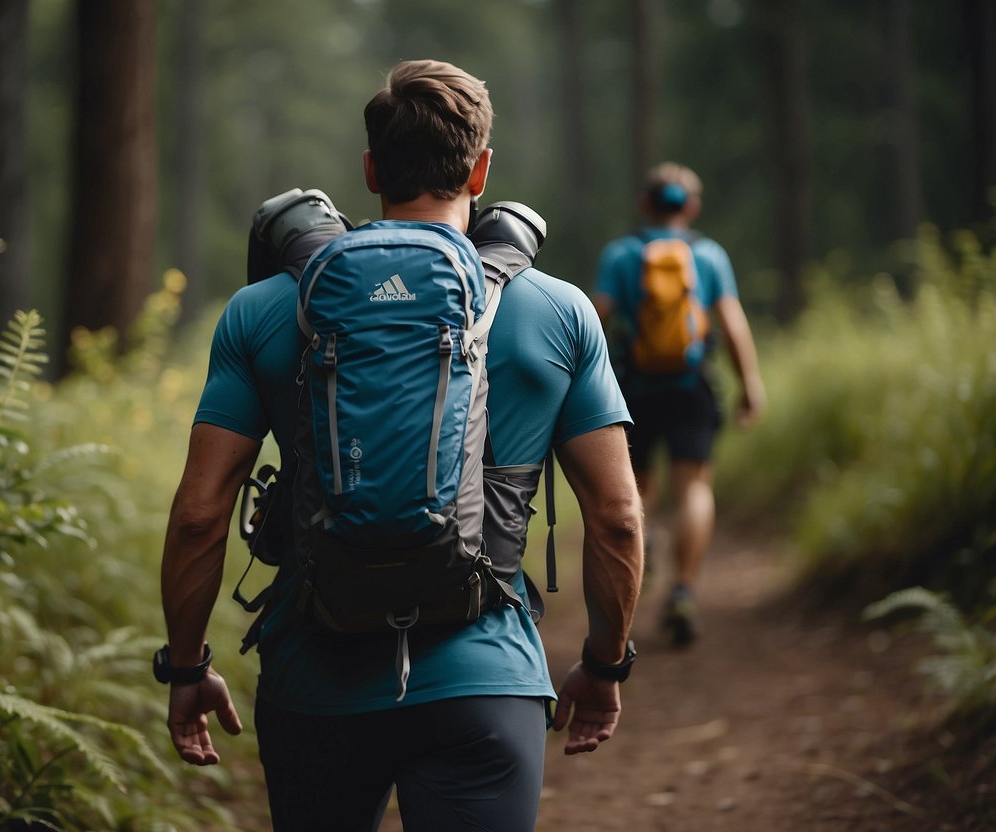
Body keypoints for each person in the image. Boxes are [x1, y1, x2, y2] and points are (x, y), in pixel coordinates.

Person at [158, 59, 644, 831]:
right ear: (481, 170)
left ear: (371, 169)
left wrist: (185, 667)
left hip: (314, 684)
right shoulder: (558, 311)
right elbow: (616, 516)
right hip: (484, 685)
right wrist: (604, 663)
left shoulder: (262, 311)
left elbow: (198, 515)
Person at [592, 161, 764, 648]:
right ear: (691, 207)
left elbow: (597, 317)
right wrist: (750, 382)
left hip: (633, 387)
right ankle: (684, 590)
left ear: (645, 204)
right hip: (692, 387)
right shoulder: (708, 254)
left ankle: (633, 583)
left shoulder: (621, 254)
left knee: (636, 493)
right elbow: (730, 321)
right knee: (694, 488)